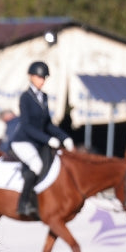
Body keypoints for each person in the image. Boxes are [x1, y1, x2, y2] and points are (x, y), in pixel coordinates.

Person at [9, 61, 74, 219]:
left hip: (38, 141)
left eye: (44, 77)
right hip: (23, 141)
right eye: (39, 77)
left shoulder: (44, 96)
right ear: (31, 77)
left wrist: (64, 137)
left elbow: (47, 124)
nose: (42, 80)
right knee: (37, 165)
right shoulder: (25, 97)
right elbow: (26, 126)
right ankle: (23, 203)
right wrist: (48, 139)